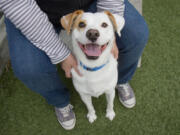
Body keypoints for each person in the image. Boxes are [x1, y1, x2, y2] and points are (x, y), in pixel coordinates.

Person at [0, 0, 149, 130]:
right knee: (29, 69)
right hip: (27, 12)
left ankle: (119, 80)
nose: (93, 34)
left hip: (88, 2)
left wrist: (110, 35)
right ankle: (60, 101)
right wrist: (60, 54)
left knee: (137, 35)